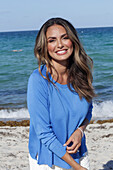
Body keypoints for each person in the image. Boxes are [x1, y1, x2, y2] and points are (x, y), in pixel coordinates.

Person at [27, 17, 95, 170]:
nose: (60, 45)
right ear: (44, 47)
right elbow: (44, 133)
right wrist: (76, 168)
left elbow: (88, 110)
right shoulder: (38, 80)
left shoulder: (82, 74)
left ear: (73, 41)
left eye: (65, 38)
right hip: (47, 159)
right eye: (52, 40)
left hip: (79, 154)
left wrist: (80, 130)